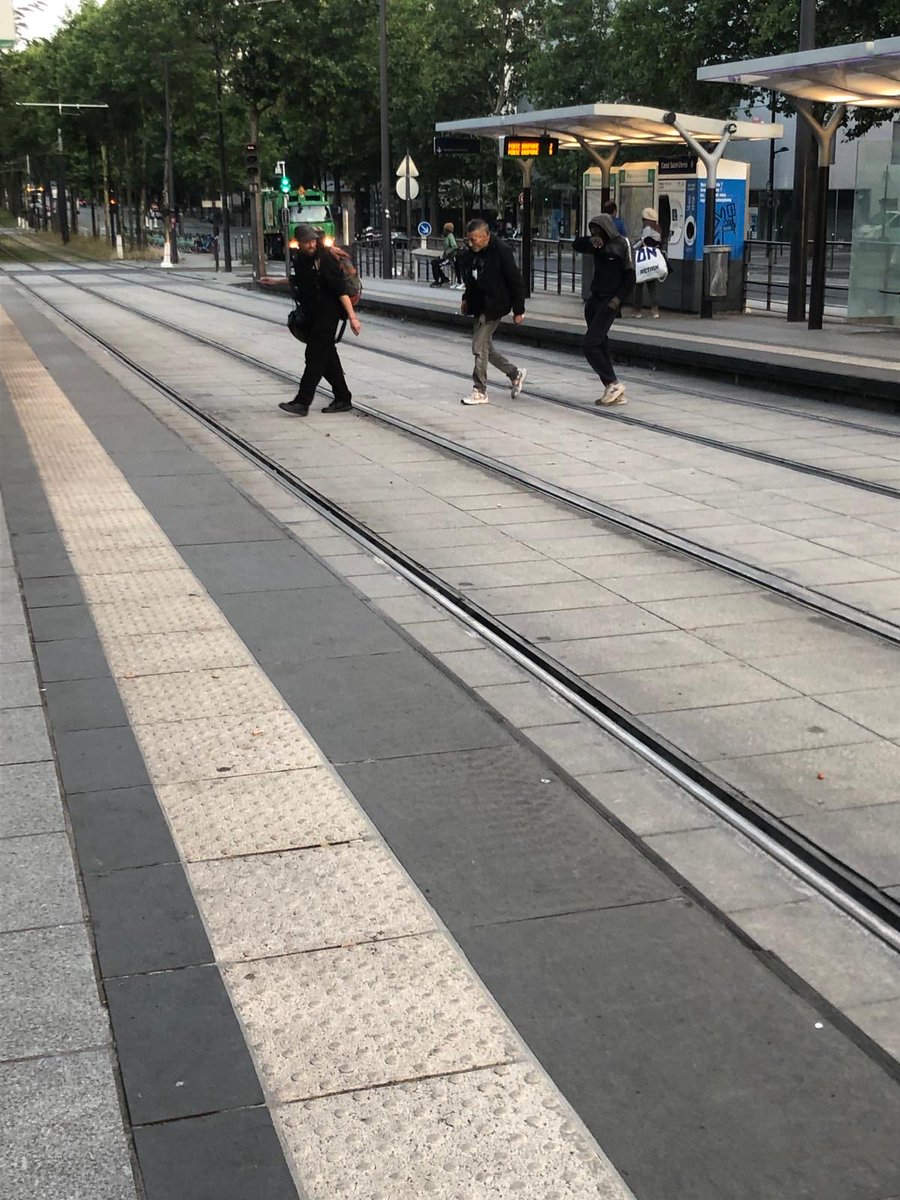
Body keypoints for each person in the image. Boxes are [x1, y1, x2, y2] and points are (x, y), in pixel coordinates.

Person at [279, 223, 360, 417]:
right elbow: (300, 281)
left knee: (314, 357)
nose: (311, 245)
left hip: (328, 315)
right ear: (298, 243)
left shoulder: (325, 259)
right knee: (327, 357)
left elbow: (340, 290)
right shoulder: (301, 259)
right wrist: (275, 282)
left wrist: (353, 317)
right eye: (307, 242)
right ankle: (343, 397)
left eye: (313, 241)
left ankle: (302, 402)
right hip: (313, 315)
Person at [458, 218, 527, 406]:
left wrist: (519, 310)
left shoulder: (502, 250)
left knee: (479, 347)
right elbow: (471, 278)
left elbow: (515, 280)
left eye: (474, 239)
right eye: (469, 239)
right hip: (479, 304)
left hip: (495, 305)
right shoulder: (474, 252)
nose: (470, 243)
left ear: (486, 236)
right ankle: (515, 373)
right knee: (486, 348)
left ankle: (480, 390)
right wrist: (466, 299)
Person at [573, 213, 635, 406]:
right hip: (595, 298)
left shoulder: (622, 244)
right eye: (592, 230)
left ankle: (612, 382)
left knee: (590, 344)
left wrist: (618, 300)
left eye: (597, 230)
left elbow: (630, 277)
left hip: (610, 300)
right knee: (600, 343)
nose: (595, 234)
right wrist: (591, 240)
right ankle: (612, 388)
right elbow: (577, 244)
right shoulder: (596, 245)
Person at [632, 206, 664, 319]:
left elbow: (644, 240)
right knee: (652, 285)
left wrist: (633, 247)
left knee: (639, 283)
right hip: (653, 258)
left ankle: (637, 310)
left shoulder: (647, 226)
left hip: (644, 259)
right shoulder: (658, 228)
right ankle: (655, 310)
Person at [430, 221, 459, 288]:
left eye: (444, 229)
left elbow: (454, 246)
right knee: (433, 262)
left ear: (447, 230)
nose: (443, 231)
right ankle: (443, 278)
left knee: (436, 264)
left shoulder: (450, 236)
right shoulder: (446, 237)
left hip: (450, 258)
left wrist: (448, 253)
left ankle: (437, 280)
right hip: (445, 256)